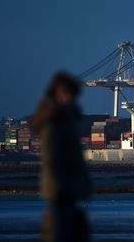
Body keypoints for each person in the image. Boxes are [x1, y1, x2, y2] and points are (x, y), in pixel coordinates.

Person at [31, 71, 91, 242]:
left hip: (71, 191)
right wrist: (62, 186)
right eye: (66, 92)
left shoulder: (68, 119)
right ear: (56, 92)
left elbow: (76, 159)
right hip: (60, 192)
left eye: (72, 93)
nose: (70, 97)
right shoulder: (54, 122)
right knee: (57, 235)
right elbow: (51, 158)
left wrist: (84, 184)